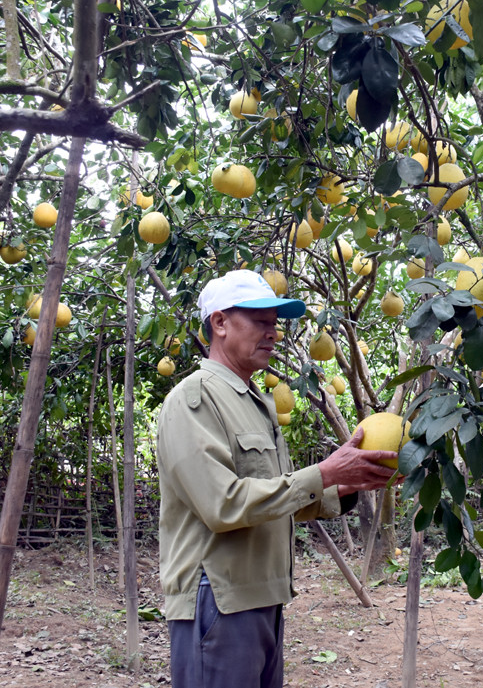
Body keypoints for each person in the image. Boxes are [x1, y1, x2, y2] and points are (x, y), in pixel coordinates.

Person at [156, 269, 398, 688]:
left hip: (262, 597)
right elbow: (223, 505)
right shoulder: (192, 400)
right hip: (217, 600)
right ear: (220, 323)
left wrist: (345, 486)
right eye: (260, 322)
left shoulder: (256, 403)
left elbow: (274, 498)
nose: (273, 334)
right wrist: (324, 471)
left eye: (275, 325)